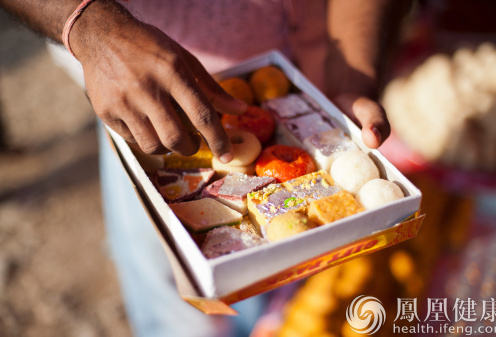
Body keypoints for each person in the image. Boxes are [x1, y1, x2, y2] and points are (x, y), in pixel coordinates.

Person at [0, 1, 409, 336]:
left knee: (302, 310)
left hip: (322, 74)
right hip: (147, 108)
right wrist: (88, 27)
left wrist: (354, 74)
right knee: (179, 315)